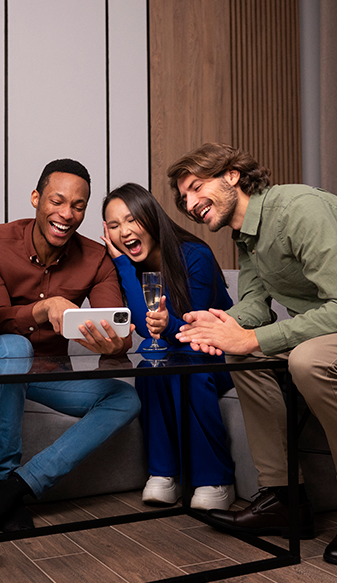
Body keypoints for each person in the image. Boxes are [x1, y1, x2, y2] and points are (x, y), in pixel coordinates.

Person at [168, 142, 337, 565]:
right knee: (242, 357)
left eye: (196, 187)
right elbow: (256, 306)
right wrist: (223, 327)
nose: (190, 203)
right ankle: (284, 497)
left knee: (310, 360)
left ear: (232, 175)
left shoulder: (298, 208)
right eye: (184, 198)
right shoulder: (247, 235)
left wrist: (252, 338)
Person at [0, 158, 142, 535]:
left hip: (49, 376)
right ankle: (1, 476)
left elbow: (118, 324)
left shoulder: (96, 258)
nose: (67, 214)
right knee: (14, 346)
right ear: (36, 198)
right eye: (57, 201)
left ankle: (16, 487)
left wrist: (114, 343)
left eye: (78, 206)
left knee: (126, 399)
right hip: (2, 368)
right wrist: (42, 310)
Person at [101, 183, 236, 510]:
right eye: (115, 226)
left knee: (182, 365)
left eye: (132, 220)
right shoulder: (127, 268)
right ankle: (164, 475)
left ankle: (216, 478)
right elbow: (144, 325)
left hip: (220, 355)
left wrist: (166, 325)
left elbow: (198, 331)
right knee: (150, 364)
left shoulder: (195, 255)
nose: (125, 232)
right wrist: (120, 263)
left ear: (151, 217)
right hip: (174, 356)